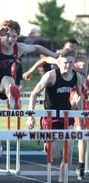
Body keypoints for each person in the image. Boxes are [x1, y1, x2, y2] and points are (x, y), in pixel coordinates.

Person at [0, 20, 58, 137]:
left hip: (5, 83)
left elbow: (37, 48)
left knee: (8, 80)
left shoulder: (19, 48)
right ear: (1, 35)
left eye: (14, 36)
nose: (10, 39)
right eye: (7, 36)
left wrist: (55, 55)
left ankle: (12, 98)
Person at [23, 38, 87, 180]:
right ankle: (47, 144)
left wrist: (80, 114)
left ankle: (61, 180)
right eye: (65, 63)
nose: (68, 66)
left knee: (68, 152)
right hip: (50, 117)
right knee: (55, 155)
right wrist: (30, 116)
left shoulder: (76, 76)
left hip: (66, 116)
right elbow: (33, 94)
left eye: (71, 63)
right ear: (59, 62)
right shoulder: (50, 76)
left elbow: (80, 95)